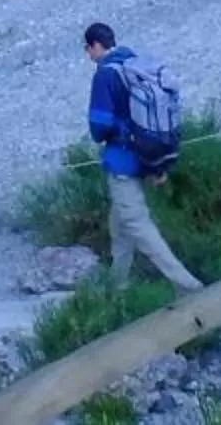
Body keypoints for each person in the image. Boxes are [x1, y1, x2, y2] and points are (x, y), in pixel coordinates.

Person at [82, 22, 201, 292]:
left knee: (138, 225)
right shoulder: (136, 64)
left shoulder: (105, 75)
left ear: (96, 46)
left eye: (88, 49)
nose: (89, 56)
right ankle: (117, 287)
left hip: (122, 161)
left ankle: (188, 285)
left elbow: (99, 127)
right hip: (148, 155)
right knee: (120, 226)